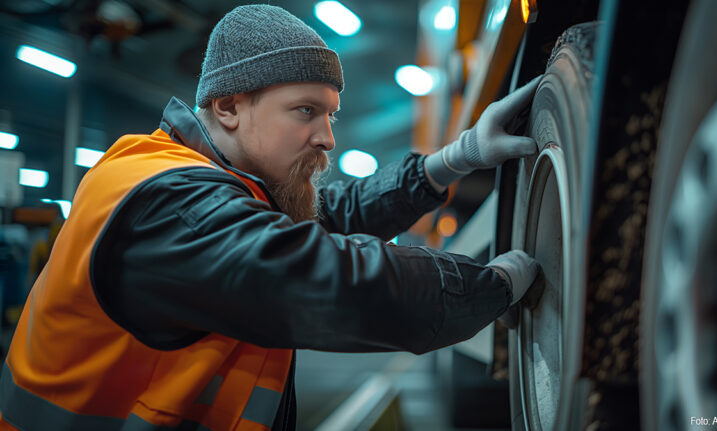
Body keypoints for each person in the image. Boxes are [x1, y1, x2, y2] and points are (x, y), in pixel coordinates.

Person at [0, 4, 541, 431]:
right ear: (230, 107)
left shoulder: (214, 186)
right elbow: (324, 277)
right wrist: (495, 284)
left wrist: (454, 158)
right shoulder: (168, 206)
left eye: (331, 114)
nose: (327, 137)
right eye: (305, 111)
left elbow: (330, 218)